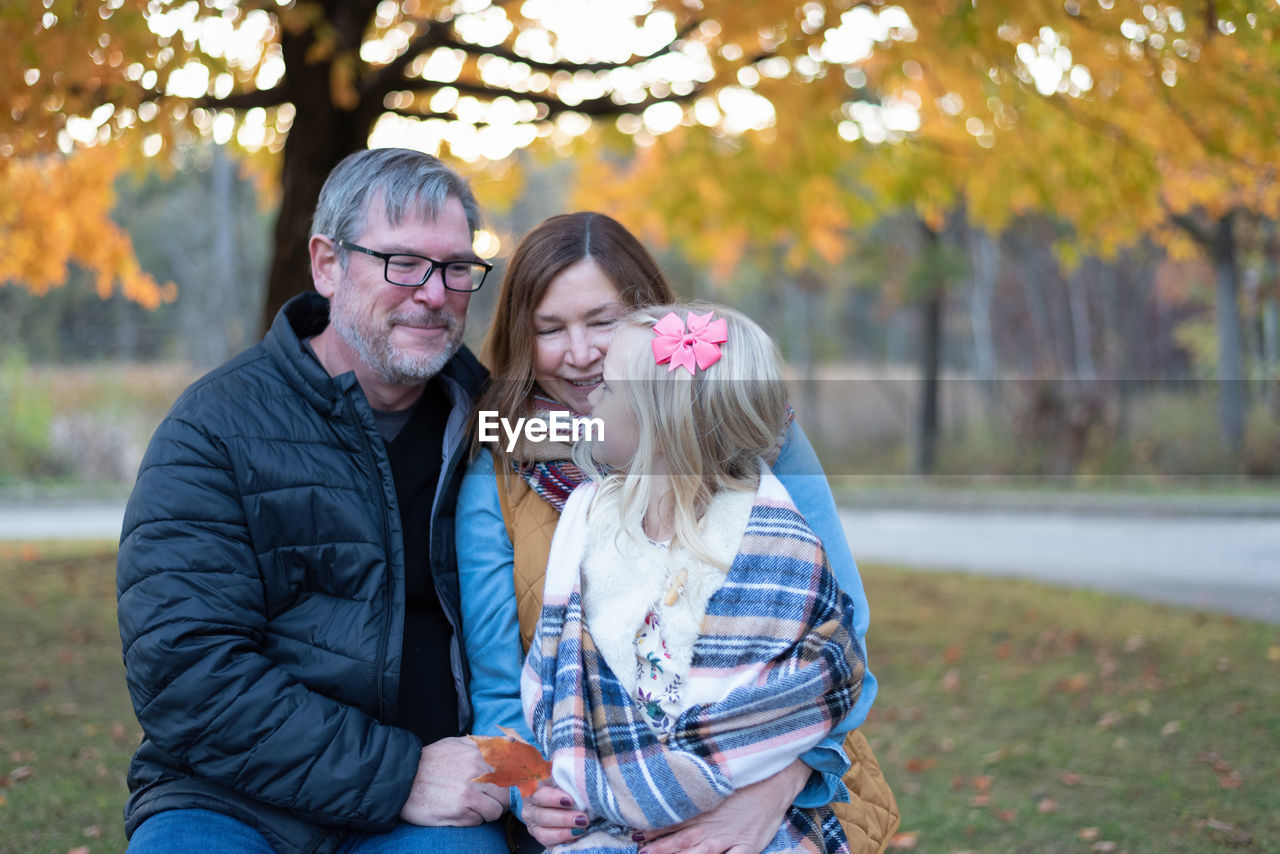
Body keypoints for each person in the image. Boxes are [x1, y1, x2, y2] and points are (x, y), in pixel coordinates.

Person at [456, 213, 898, 854]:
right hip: (597, 784)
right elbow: (500, 682)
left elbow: (838, 635)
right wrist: (533, 787)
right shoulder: (499, 464)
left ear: (654, 324)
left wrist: (775, 788)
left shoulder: (747, 433)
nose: (581, 355)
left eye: (602, 323)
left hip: (779, 762)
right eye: (550, 330)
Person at [116, 148, 512, 854]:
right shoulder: (213, 428)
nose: (433, 293)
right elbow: (185, 671)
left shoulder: (494, 425)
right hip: (231, 799)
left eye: (456, 268)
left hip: (427, 814)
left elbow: (672, 451)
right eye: (402, 263)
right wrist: (399, 774)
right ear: (327, 264)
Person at [522, 303, 863, 853]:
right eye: (552, 326)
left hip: (749, 820)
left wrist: (698, 777)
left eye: (607, 386)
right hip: (601, 818)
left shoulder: (775, 544)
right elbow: (553, 666)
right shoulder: (589, 522)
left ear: (658, 423)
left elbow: (823, 668)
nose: (590, 395)